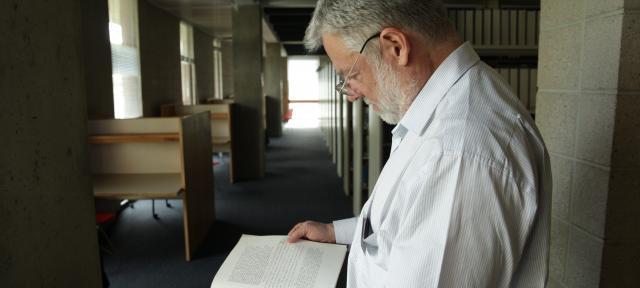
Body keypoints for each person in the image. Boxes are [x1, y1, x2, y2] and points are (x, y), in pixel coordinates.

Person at [288, 0, 552, 287]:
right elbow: (401, 224)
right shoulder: (437, 110)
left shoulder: (458, 153)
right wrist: (332, 232)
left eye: (352, 76)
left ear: (396, 47)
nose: (351, 95)